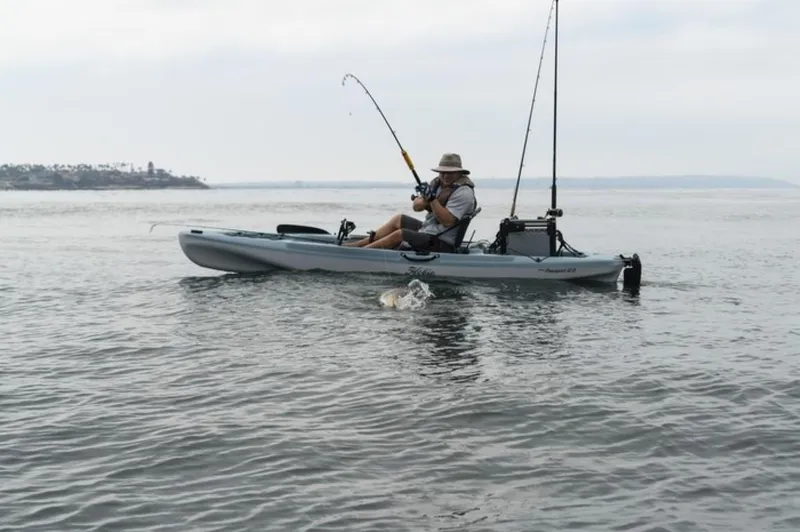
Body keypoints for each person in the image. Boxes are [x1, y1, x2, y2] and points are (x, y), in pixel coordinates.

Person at [344, 152, 477, 252]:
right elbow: (416, 207)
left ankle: (362, 253)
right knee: (398, 219)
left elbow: (447, 221)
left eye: (451, 173)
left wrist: (431, 199)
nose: (446, 176)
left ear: (459, 173)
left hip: (442, 241)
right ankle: (359, 245)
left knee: (401, 234)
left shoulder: (463, 193)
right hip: (428, 230)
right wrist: (425, 199)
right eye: (443, 172)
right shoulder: (437, 184)